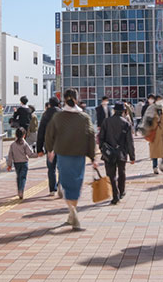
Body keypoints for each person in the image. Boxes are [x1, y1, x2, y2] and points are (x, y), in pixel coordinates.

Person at [45, 89, 97, 230]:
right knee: (76, 183)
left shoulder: (58, 117)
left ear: (64, 99)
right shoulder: (84, 117)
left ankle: (72, 211)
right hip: (79, 155)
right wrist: (93, 157)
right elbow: (91, 136)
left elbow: (49, 134)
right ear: (76, 99)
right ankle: (72, 211)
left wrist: (50, 150)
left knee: (66, 183)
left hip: (63, 154)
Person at [99, 102, 136, 204]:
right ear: (124, 112)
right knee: (122, 172)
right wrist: (132, 156)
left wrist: (102, 148)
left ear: (114, 111)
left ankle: (115, 195)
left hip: (109, 153)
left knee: (111, 175)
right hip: (121, 153)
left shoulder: (106, 122)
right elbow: (130, 142)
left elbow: (101, 137)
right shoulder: (126, 124)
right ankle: (122, 191)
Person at [37, 97, 62, 196]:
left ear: (50, 104)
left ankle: (52, 189)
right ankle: (61, 185)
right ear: (58, 104)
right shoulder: (62, 114)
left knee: (51, 168)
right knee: (61, 167)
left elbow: (41, 132)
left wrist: (39, 149)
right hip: (61, 145)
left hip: (49, 145)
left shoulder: (45, 114)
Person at [143, 95, 163, 174]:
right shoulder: (151, 108)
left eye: (161, 99)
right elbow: (147, 122)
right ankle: (155, 167)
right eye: (158, 99)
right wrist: (147, 132)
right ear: (155, 100)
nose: (160, 101)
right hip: (155, 133)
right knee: (155, 152)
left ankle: (162, 164)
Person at [7, 128, 37, 199]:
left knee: (18, 176)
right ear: (24, 135)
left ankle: (18, 190)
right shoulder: (24, 144)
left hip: (16, 163)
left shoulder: (13, 144)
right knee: (23, 177)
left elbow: (10, 155)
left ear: (16, 135)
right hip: (24, 163)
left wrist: (9, 165)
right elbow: (30, 154)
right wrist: (37, 155)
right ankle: (21, 190)